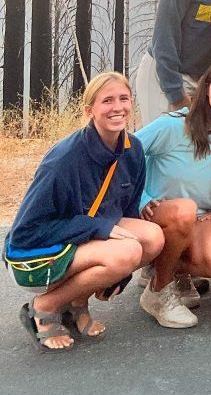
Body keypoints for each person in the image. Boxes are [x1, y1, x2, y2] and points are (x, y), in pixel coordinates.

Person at [4, 72, 163, 352]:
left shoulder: (133, 148)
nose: (117, 107)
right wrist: (98, 230)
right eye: (107, 101)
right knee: (127, 251)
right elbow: (25, 233)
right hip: (36, 255)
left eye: (123, 98)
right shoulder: (63, 160)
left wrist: (119, 275)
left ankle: (77, 303)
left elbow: (128, 210)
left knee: (152, 237)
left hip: (81, 241)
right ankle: (43, 307)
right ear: (90, 111)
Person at [135, 57, 211, 328]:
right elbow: (126, 153)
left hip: (199, 217)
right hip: (158, 214)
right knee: (184, 209)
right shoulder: (173, 125)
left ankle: (168, 267)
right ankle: (158, 291)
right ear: (206, 87)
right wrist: (141, 198)